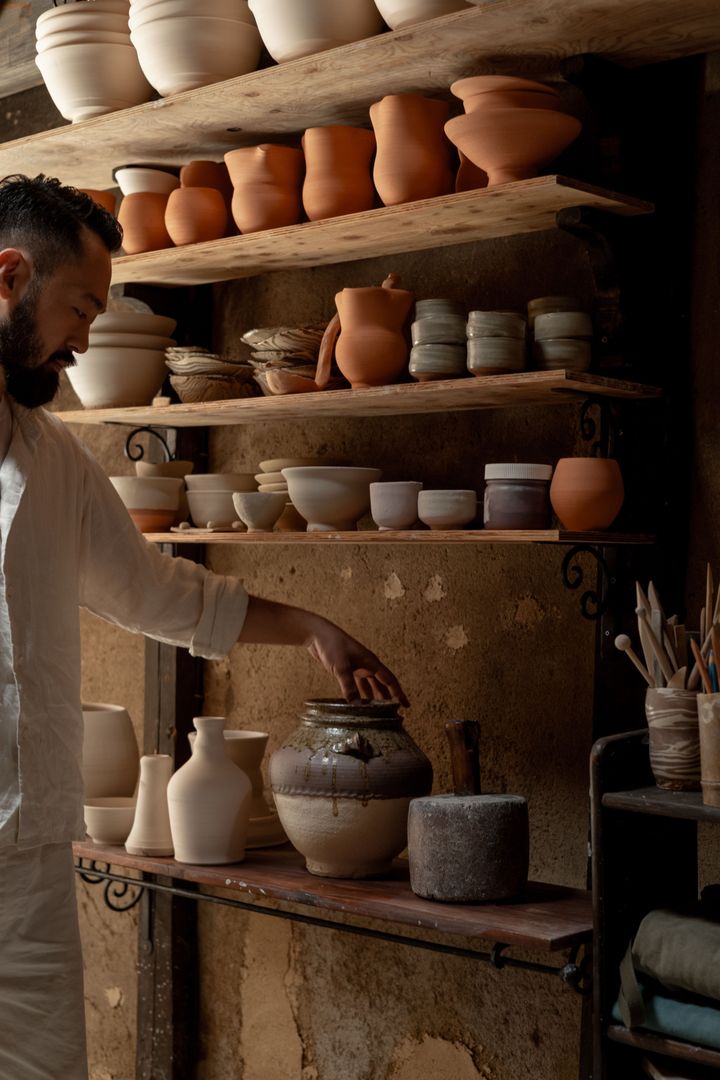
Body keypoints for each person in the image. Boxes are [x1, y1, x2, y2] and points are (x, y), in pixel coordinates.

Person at [0, 174, 408, 1080]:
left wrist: (308, 625)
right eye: (79, 308)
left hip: (22, 862)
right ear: (7, 278)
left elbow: (148, 590)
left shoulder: (55, 461)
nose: (86, 340)